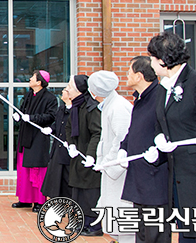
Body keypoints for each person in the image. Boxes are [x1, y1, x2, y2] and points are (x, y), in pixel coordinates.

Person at [147, 31, 196, 242]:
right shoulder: (162, 88)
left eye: (152, 58)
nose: (150, 62)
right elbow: (164, 125)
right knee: (186, 236)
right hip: (177, 180)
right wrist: (158, 144)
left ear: (163, 60)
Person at [120, 56, 170, 243]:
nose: (127, 75)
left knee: (154, 231)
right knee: (141, 231)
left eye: (129, 71)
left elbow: (169, 133)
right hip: (139, 175)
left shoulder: (160, 97)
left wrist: (159, 151)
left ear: (139, 76)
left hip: (155, 178)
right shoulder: (140, 99)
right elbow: (133, 130)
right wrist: (123, 148)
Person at [88, 70, 134, 243]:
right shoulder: (109, 105)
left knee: (121, 210)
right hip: (111, 169)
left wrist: (108, 163)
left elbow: (121, 140)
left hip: (118, 171)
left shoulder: (118, 107)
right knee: (112, 209)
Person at [11, 70, 57, 213]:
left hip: (38, 138)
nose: (30, 79)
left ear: (39, 82)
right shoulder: (29, 95)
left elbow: (50, 116)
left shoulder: (50, 98)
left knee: (37, 171)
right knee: (23, 170)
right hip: (25, 137)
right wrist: (18, 116)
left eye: (33, 77)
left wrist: (32, 118)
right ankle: (25, 199)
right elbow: (23, 110)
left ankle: (39, 201)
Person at [64, 74, 102, 236]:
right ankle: (81, 221)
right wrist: (71, 144)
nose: (68, 89)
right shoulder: (75, 107)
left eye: (71, 86)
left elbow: (97, 132)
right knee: (78, 190)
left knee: (90, 192)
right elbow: (68, 128)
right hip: (77, 154)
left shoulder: (90, 107)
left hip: (88, 155)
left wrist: (91, 154)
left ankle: (94, 225)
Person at [41, 87, 72, 199]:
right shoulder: (61, 109)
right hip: (57, 151)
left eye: (65, 90)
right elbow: (57, 124)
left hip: (68, 153)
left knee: (66, 182)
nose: (62, 91)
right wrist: (50, 129)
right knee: (55, 183)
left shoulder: (75, 111)